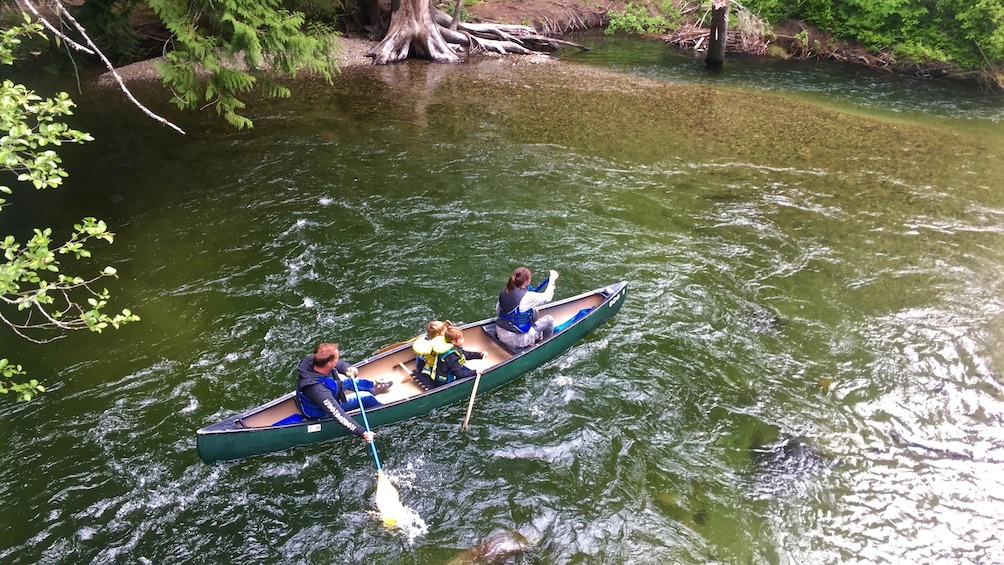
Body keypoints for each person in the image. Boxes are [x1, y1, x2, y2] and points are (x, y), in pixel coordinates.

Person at [295, 342, 392, 442]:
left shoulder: (313, 361)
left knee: (348, 380)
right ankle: (386, 412)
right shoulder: (319, 391)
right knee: (366, 397)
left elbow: (338, 364)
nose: (338, 360)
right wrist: (362, 432)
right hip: (320, 412)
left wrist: (347, 369)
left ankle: (373, 387)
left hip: (320, 395)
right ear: (329, 364)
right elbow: (339, 415)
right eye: (337, 358)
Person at [495, 266, 559, 349]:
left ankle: (537, 336)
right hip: (514, 340)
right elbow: (548, 297)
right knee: (549, 320)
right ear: (527, 282)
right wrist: (552, 279)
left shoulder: (505, 290)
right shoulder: (528, 297)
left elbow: (498, 309)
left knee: (533, 311)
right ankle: (545, 345)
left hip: (500, 332)